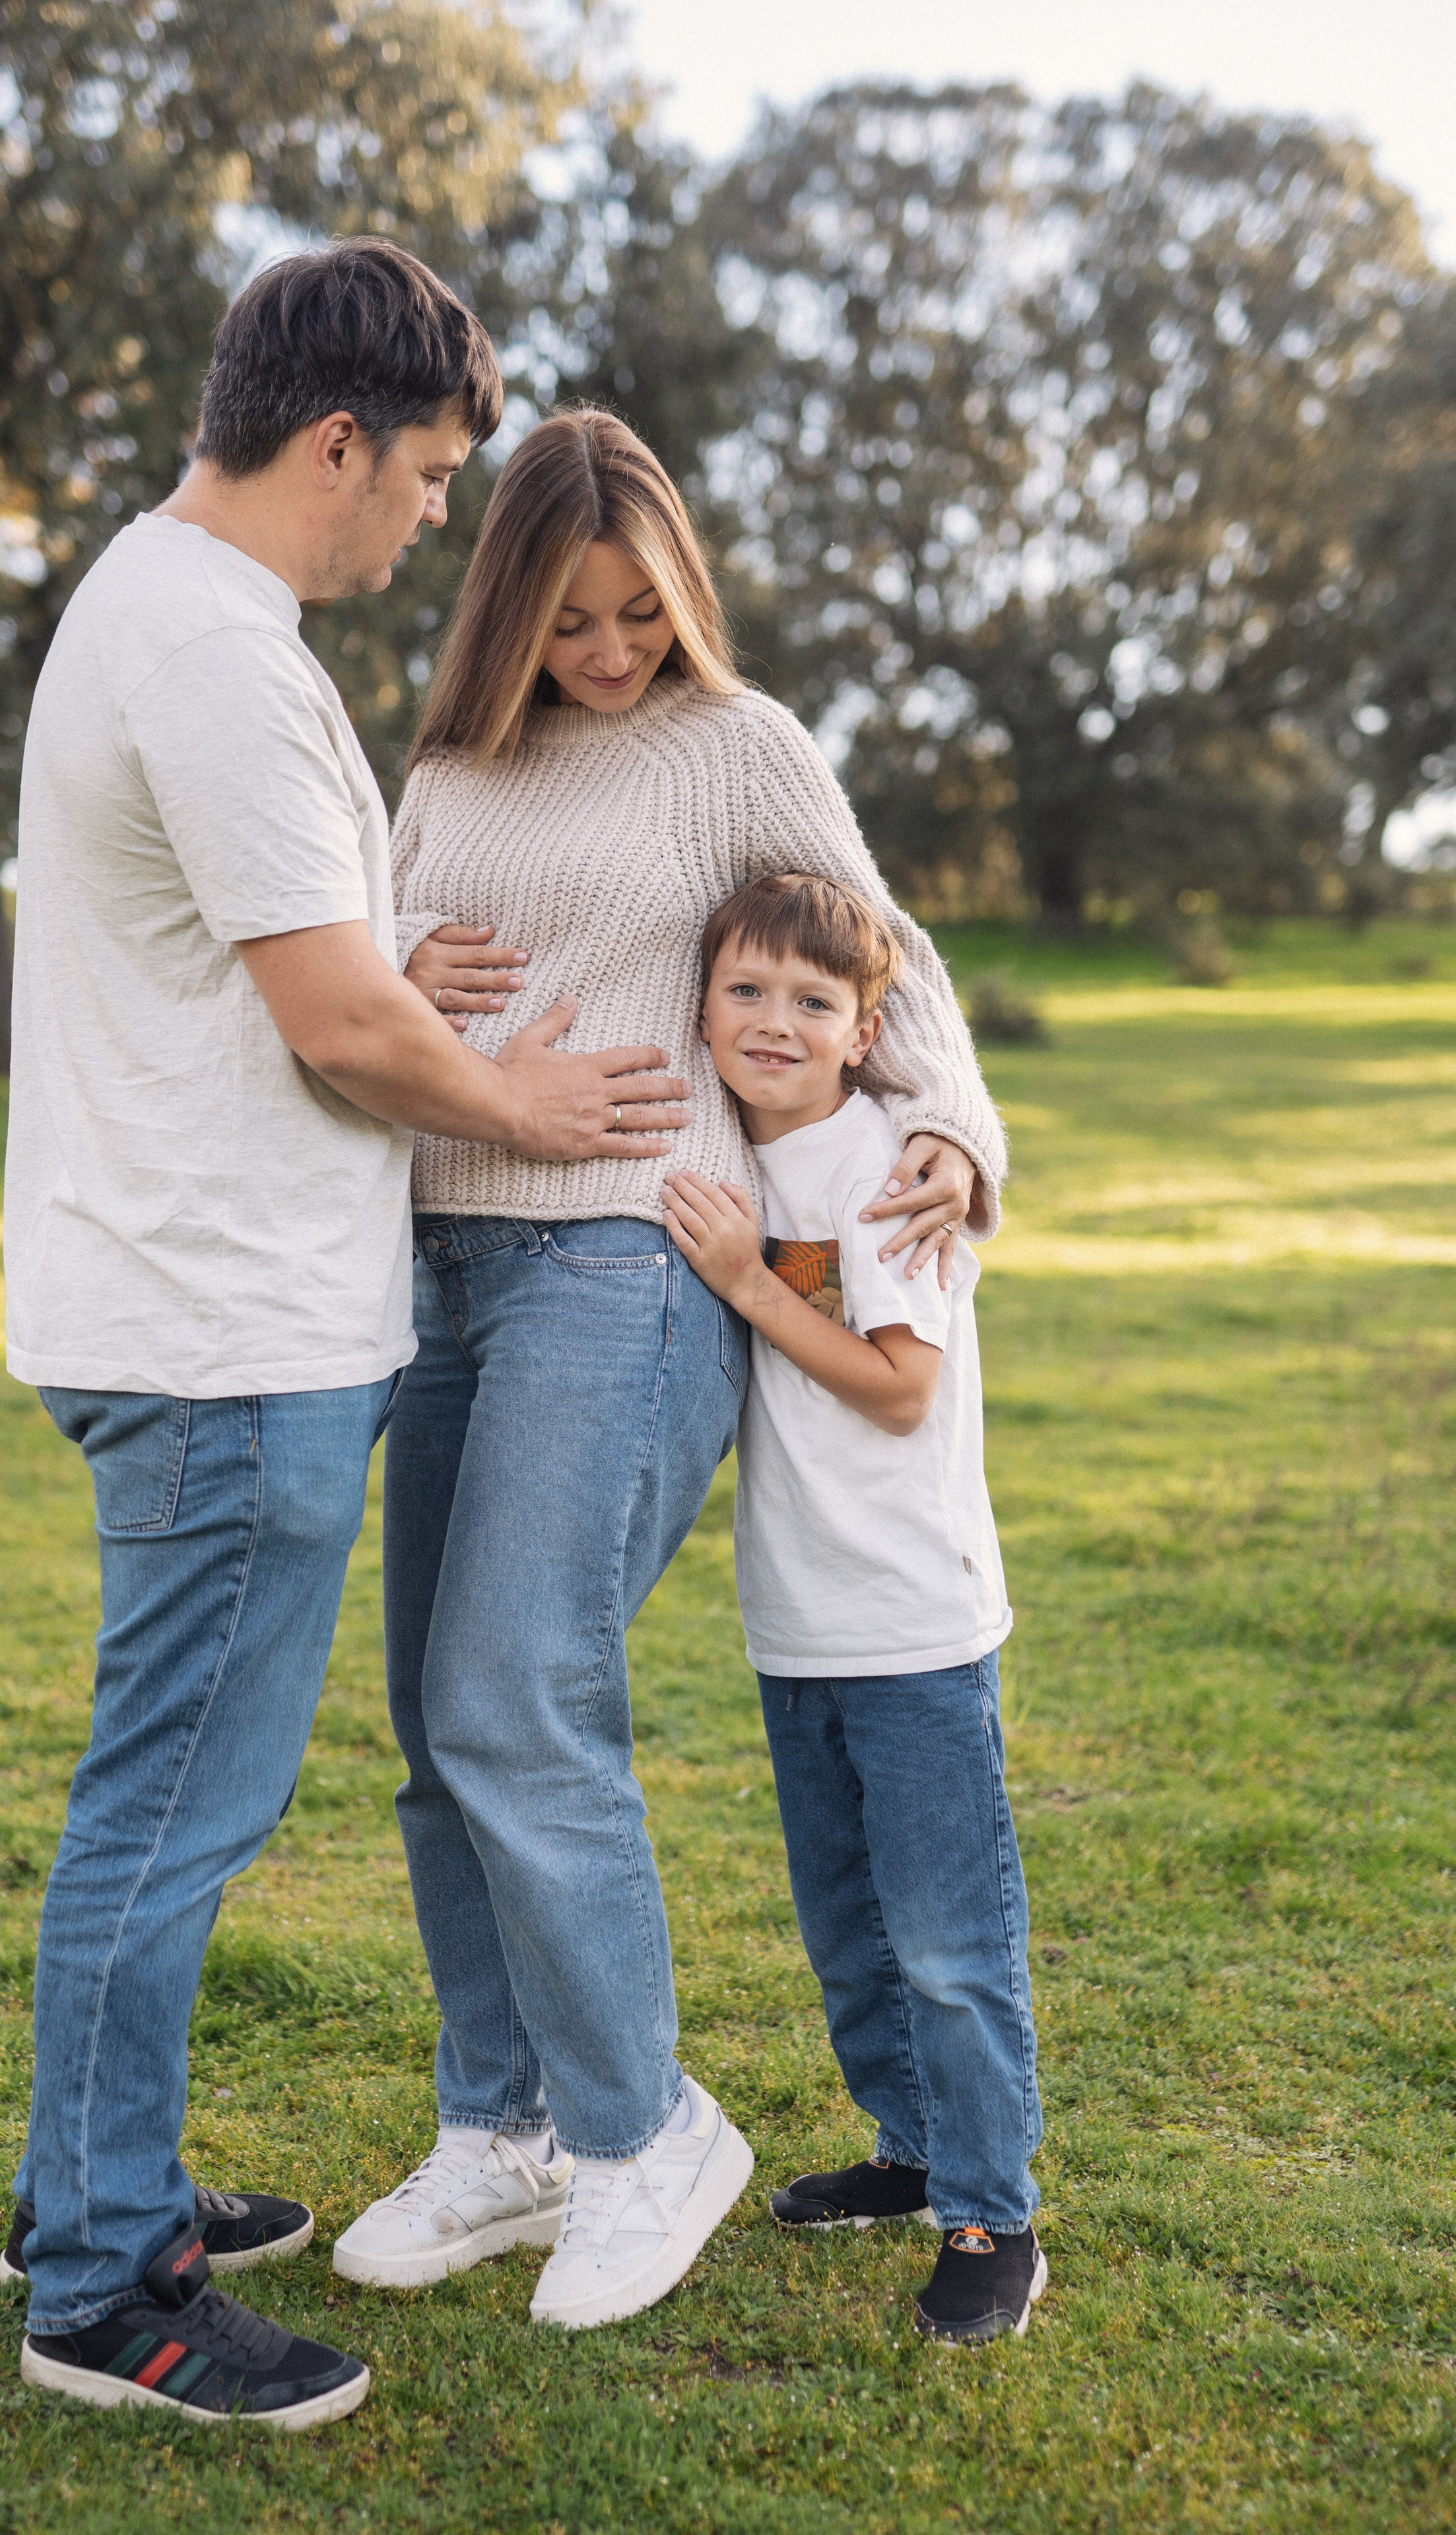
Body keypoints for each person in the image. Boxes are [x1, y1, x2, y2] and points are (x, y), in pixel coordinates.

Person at [0, 249, 692, 2429]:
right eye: (425, 478)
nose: (427, 522)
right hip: (223, 1344)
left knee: (167, 1793)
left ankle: (95, 2185)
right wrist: (520, 1093)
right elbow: (323, 1026)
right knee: (172, 1819)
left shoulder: (170, 613)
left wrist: (410, 955)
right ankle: (104, 2288)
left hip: (212, 1316)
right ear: (334, 445)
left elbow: (286, 955)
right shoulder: (209, 644)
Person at [329, 411, 1009, 2332]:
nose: (609, 653)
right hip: (445, 1268)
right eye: (568, 623)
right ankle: (508, 2123)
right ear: (507, 613)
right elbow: (360, 971)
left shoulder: (739, 748)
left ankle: (645, 2136)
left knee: (511, 1688)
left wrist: (955, 1124)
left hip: (627, 1259)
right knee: (434, 1733)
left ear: (682, 597)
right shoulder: (451, 768)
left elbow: (896, 958)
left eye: (639, 614)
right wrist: (407, 968)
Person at [661, 871, 1043, 2348]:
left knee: (947, 1938)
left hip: (912, 1619)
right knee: (850, 1927)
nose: (773, 1022)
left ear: (865, 1025)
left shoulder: (883, 1163)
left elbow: (898, 1389)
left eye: (811, 1002)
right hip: (797, 1613)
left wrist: (751, 1285)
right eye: (745, 991)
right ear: (701, 1003)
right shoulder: (734, 1149)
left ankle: (988, 2214)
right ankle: (910, 2149)